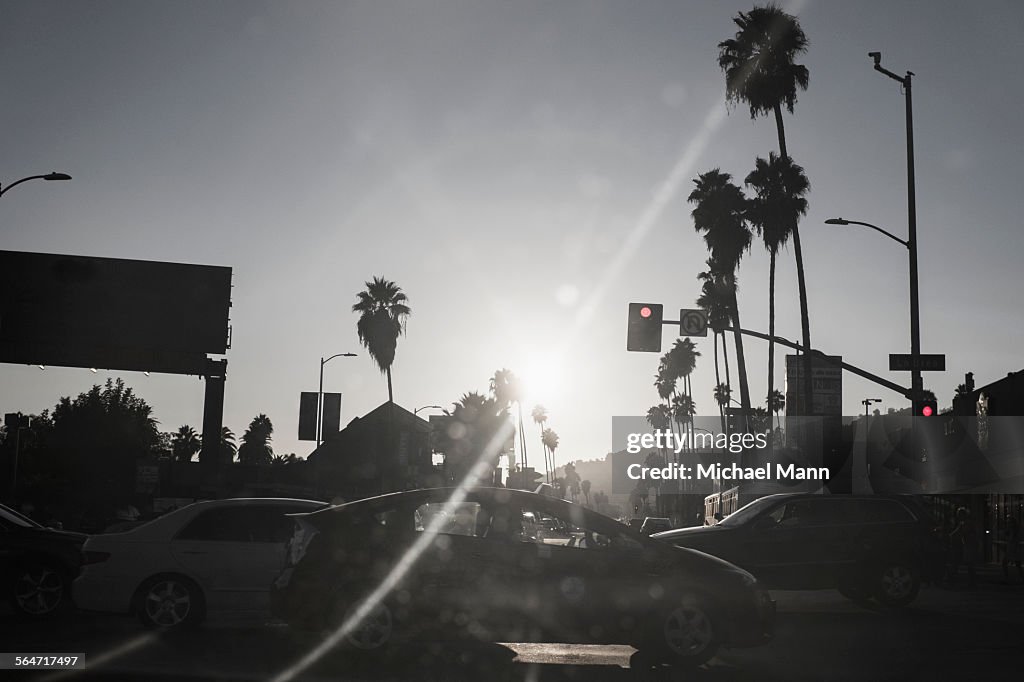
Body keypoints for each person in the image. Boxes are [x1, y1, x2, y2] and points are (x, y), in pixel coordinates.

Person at [949, 507, 978, 587]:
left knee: (969, 563)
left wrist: (951, 536)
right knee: (969, 563)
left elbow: (960, 532)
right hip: (968, 545)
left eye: (959, 515)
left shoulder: (966, 523)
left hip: (970, 545)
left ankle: (972, 581)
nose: (958, 516)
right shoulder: (964, 523)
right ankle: (972, 581)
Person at [1002, 516, 1023, 584]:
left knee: (1006, 563)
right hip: (1013, 550)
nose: (1008, 524)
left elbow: (1011, 539)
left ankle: (1007, 578)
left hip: (1013, 550)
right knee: (1017, 564)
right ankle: (1020, 577)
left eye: (1009, 522)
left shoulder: (1013, 531)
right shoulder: (1014, 530)